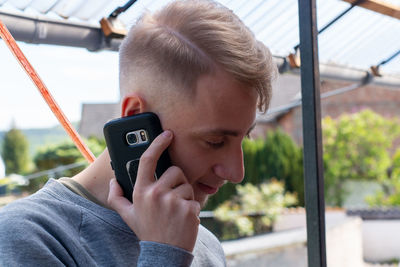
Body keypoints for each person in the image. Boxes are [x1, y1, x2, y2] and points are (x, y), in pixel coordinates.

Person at [0, 0, 277, 266]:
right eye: (214, 141)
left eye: (245, 136)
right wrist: (165, 255)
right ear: (135, 118)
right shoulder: (27, 237)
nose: (237, 172)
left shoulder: (203, 244)